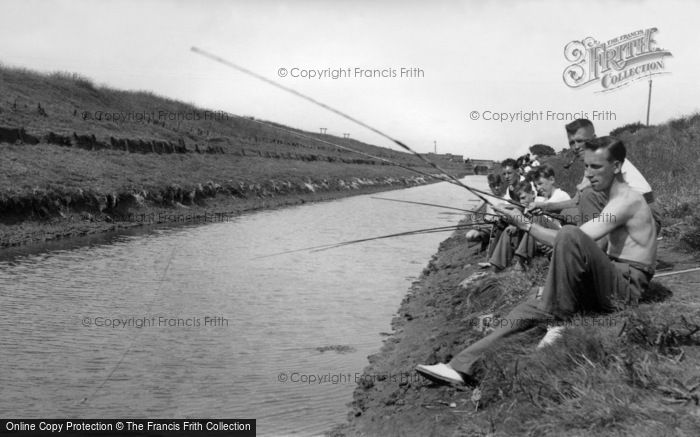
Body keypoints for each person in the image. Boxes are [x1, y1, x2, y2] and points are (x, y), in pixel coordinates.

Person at [416, 136, 657, 385]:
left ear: (616, 167)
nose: (588, 174)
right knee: (530, 306)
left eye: (596, 167)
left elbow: (572, 240)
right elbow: (597, 248)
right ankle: (460, 367)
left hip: (627, 287)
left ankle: (560, 320)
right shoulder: (609, 200)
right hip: (611, 278)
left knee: (569, 236)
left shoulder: (626, 201)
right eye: (586, 166)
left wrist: (524, 224)